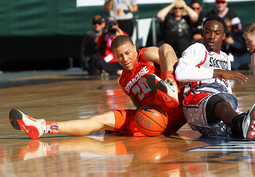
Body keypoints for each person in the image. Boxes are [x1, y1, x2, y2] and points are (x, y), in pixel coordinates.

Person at [9, 36, 186, 139]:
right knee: (101, 119)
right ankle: (43, 126)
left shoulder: (144, 55)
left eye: (127, 53)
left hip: (178, 103)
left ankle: (168, 85)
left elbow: (168, 53)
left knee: (166, 47)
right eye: (119, 56)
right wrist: (143, 122)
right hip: (157, 118)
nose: (125, 59)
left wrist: (168, 76)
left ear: (134, 48)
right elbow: (139, 107)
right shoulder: (123, 81)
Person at [173, 15, 255, 141]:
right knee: (222, 105)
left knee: (234, 126)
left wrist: (236, 112)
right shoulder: (198, 49)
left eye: (217, 33)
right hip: (197, 102)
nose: (212, 36)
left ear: (223, 36)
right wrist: (218, 73)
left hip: (219, 109)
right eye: (208, 32)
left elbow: (226, 89)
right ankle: (244, 123)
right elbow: (180, 73)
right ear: (202, 34)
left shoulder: (225, 57)